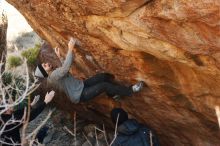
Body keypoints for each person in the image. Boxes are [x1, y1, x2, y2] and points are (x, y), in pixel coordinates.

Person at [34, 37, 144, 103]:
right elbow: (64, 69)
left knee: (103, 76)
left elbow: (63, 72)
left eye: (45, 63)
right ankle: (130, 91)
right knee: (104, 85)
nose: (47, 63)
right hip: (80, 95)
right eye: (45, 66)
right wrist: (70, 48)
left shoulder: (53, 74)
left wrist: (59, 57)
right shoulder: (52, 76)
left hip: (81, 85)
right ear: (45, 72)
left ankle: (114, 94)